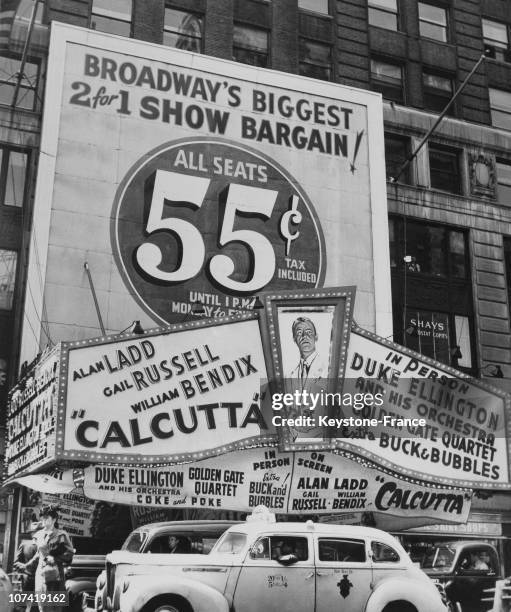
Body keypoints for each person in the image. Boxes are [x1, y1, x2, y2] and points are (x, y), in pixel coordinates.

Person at [21, 506, 74, 612]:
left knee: (55, 605)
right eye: (43, 518)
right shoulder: (39, 535)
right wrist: (26, 566)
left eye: (47, 518)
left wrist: (56, 559)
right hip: (41, 574)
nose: (44, 520)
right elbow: (37, 555)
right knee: (42, 604)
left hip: (56, 574)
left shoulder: (61, 535)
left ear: (54, 519)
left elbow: (69, 553)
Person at [285, 317, 328, 439]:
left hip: (321, 438)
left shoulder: (329, 369)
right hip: (295, 438)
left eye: (309, 332)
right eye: (299, 333)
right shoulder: (290, 375)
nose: (304, 336)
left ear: (316, 336)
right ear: (295, 339)